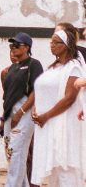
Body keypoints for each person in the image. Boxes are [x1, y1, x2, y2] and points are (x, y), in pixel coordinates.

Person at [31, 28, 84, 187]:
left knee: (64, 167)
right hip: (46, 124)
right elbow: (42, 91)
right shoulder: (53, 67)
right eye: (51, 42)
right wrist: (36, 109)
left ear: (66, 45)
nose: (51, 45)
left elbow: (69, 98)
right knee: (55, 171)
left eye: (56, 42)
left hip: (63, 125)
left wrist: (45, 116)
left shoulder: (73, 67)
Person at [0, 33, 43, 187]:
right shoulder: (11, 69)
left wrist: (21, 112)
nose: (13, 48)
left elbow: (36, 91)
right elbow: (7, 96)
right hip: (9, 115)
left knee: (17, 153)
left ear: (27, 47)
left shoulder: (33, 64)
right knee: (11, 155)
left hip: (23, 113)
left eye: (17, 45)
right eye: (12, 45)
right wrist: (3, 119)